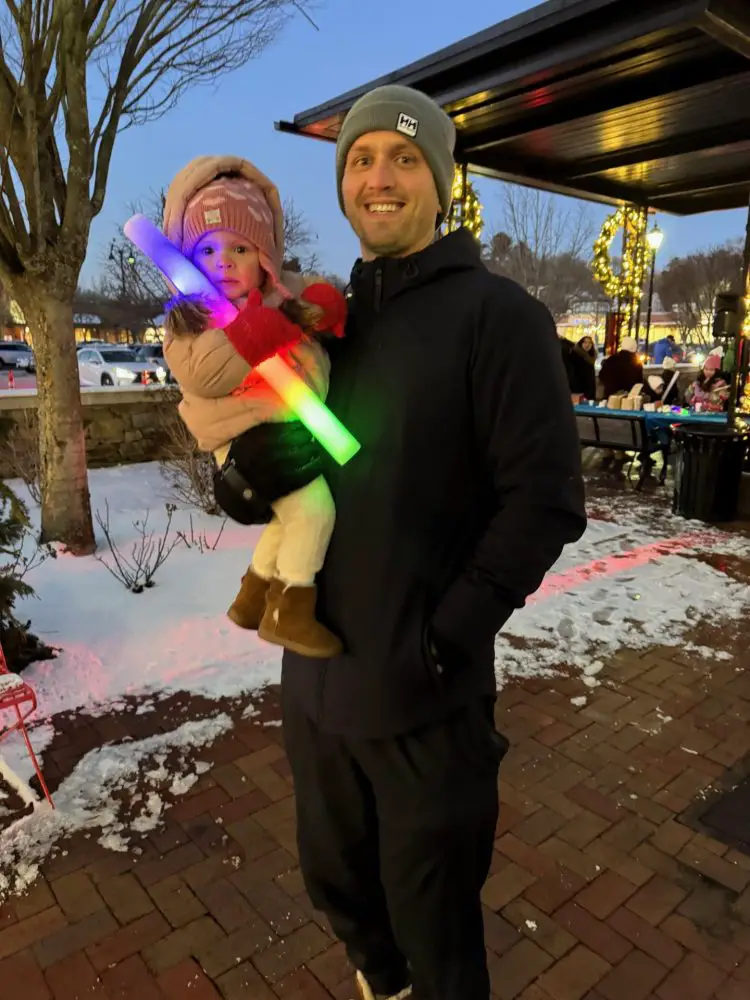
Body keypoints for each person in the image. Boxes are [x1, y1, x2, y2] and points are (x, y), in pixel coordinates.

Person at [278, 86, 586, 1000]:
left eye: (406, 158)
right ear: (341, 185)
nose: (380, 176)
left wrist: (442, 641)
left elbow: (545, 504)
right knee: (339, 890)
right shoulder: (327, 326)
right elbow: (301, 466)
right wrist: (247, 474)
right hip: (317, 685)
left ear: (441, 183)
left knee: (437, 929)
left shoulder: (499, 319)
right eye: (362, 158)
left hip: (424, 702)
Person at [162, 156, 347, 658]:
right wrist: (265, 330)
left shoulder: (275, 297)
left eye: (240, 248)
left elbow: (311, 310)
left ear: (262, 257)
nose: (223, 260)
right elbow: (206, 374)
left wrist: (322, 306)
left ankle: (251, 598)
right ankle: (292, 612)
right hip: (244, 439)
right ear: (187, 258)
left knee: (287, 519)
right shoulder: (188, 321)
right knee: (315, 512)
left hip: (288, 425)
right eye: (208, 248)